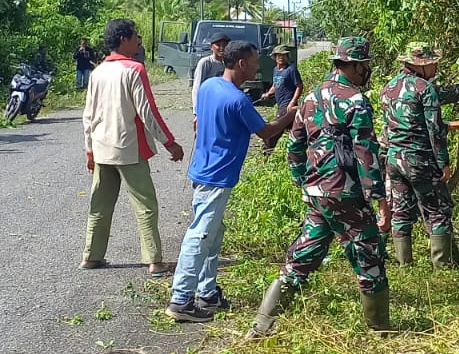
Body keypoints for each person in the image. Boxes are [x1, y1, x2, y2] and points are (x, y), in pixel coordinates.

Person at [249, 37, 391, 338]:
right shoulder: (355, 100)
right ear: (354, 65)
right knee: (369, 257)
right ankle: (381, 330)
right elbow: (366, 153)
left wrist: (305, 182)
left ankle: (263, 323)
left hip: (318, 195)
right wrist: (379, 200)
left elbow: (294, 148)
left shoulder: (311, 98)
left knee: (304, 254)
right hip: (346, 194)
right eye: (365, 65)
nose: (367, 70)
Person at [166, 40, 298, 322]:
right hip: (217, 175)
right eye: (253, 62)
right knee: (201, 234)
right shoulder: (237, 100)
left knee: (213, 234)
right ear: (241, 64)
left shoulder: (209, 86)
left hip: (203, 168)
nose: (256, 66)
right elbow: (265, 132)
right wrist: (291, 115)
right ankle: (181, 299)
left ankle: (207, 292)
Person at [81, 18, 184, 276]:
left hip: (102, 148)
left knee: (99, 206)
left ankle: (91, 257)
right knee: (146, 206)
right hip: (129, 148)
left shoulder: (97, 72)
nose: (139, 40)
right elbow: (148, 111)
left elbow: (88, 115)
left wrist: (90, 150)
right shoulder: (134, 69)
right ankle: (154, 261)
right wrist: (169, 143)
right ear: (124, 39)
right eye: (136, 35)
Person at [379, 42, 459, 268]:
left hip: (394, 159)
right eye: (434, 63)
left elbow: (408, 124)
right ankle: (443, 267)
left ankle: (405, 266)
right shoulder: (424, 89)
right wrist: (443, 163)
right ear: (421, 65)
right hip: (419, 160)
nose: (436, 67)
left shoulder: (390, 87)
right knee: (438, 211)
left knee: (401, 211)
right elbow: (432, 129)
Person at [259, 44, 303, 152]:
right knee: (295, 130)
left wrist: (292, 102)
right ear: (274, 57)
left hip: (287, 106)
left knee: (272, 132)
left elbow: (299, 86)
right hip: (280, 105)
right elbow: (275, 85)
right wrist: (268, 93)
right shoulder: (275, 70)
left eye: (283, 55)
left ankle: (266, 154)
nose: (281, 57)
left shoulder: (291, 70)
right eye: (278, 55)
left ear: (287, 56)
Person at [190, 32, 230, 98]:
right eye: (218, 45)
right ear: (211, 47)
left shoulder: (228, 63)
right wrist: (196, 106)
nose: (222, 48)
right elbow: (197, 87)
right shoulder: (206, 62)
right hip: (208, 98)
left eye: (224, 45)